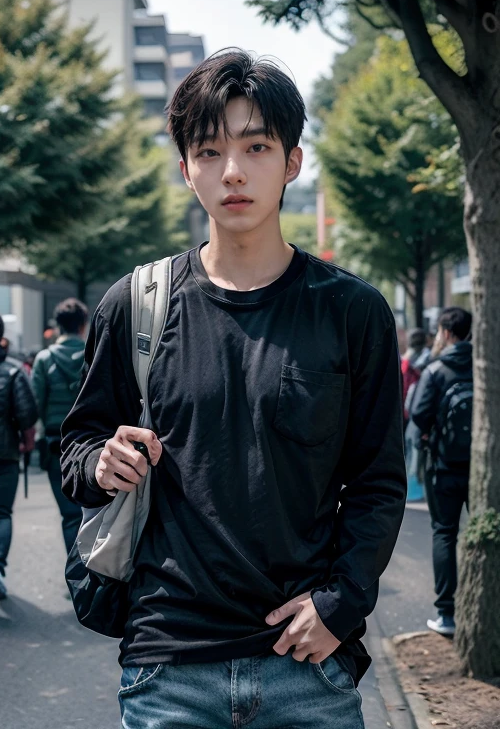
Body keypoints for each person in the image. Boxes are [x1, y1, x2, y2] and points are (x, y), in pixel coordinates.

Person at [61, 49, 406, 729]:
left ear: (293, 162)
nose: (235, 172)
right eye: (210, 151)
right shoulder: (135, 304)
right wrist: (100, 462)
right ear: (187, 170)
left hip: (306, 668)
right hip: (168, 668)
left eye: (257, 146)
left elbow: (378, 481)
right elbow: (76, 446)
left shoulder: (350, 312)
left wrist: (340, 607)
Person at [411, 306, 473, 637]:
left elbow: (418, 414)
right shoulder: (486, 365)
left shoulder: (436, 370)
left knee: (445, 533)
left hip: (444, 467)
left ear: (446, 333)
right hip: (482, 471)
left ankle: (446, 614)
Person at [0, 311, 38, 599]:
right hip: (4, 455)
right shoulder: (13, 372)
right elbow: (28, 414)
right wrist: (25, 443)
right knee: (1, 513)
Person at [32, 299, 87, 555]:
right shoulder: (93, 354)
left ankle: (77, 575)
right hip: (90, 441)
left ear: (57, 326)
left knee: (70, 515)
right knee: (93, 510)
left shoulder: (44, 359)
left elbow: (36, 404)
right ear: (83, 326)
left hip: (56, 443)